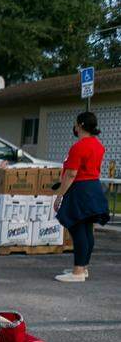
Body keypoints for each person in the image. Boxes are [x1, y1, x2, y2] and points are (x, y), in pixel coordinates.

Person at [54, 111, 110, 283]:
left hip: (80, 189)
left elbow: (71, 174)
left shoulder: (79, 147)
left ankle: (77, 272)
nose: (75, 127)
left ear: (81, 125)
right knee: (86, 229)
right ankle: (83, 267)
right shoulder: (99, 145)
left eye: (76, 124)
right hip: (94, 188)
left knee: (77, 229)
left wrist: (59, 195)